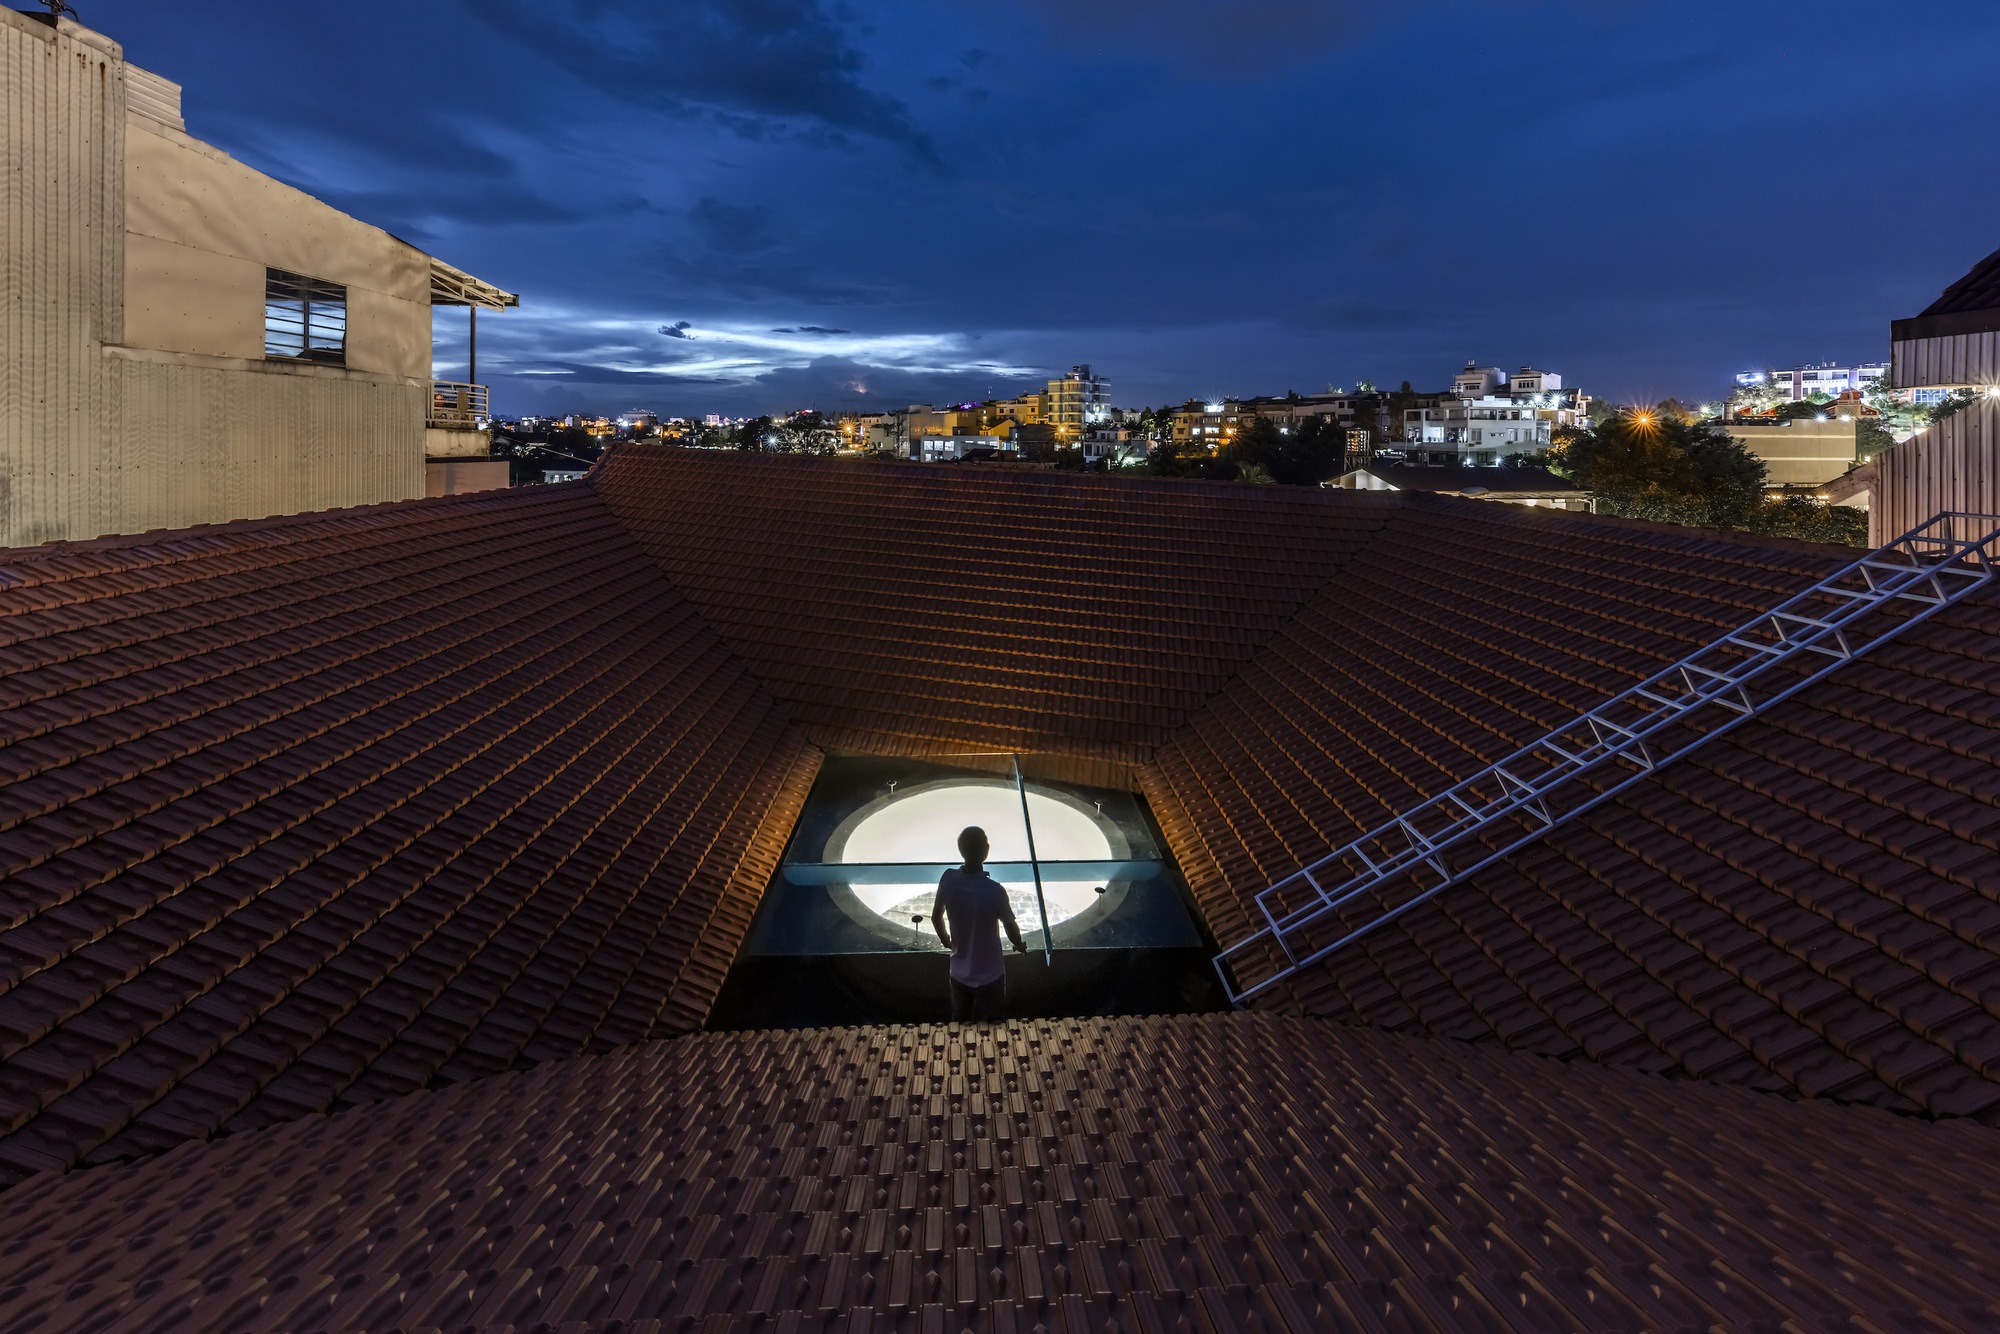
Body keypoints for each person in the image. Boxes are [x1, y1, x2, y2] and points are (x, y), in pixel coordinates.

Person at [931, 825, 1027, 1022]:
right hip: (991, 975)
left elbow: (936, 916)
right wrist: (1018, 944)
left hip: (959, 973)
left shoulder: (948, 879)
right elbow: (1010, 926)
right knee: (994, 1027)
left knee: (960, 1024)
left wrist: (945, 940)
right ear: (986, 851)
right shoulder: (994, 891)